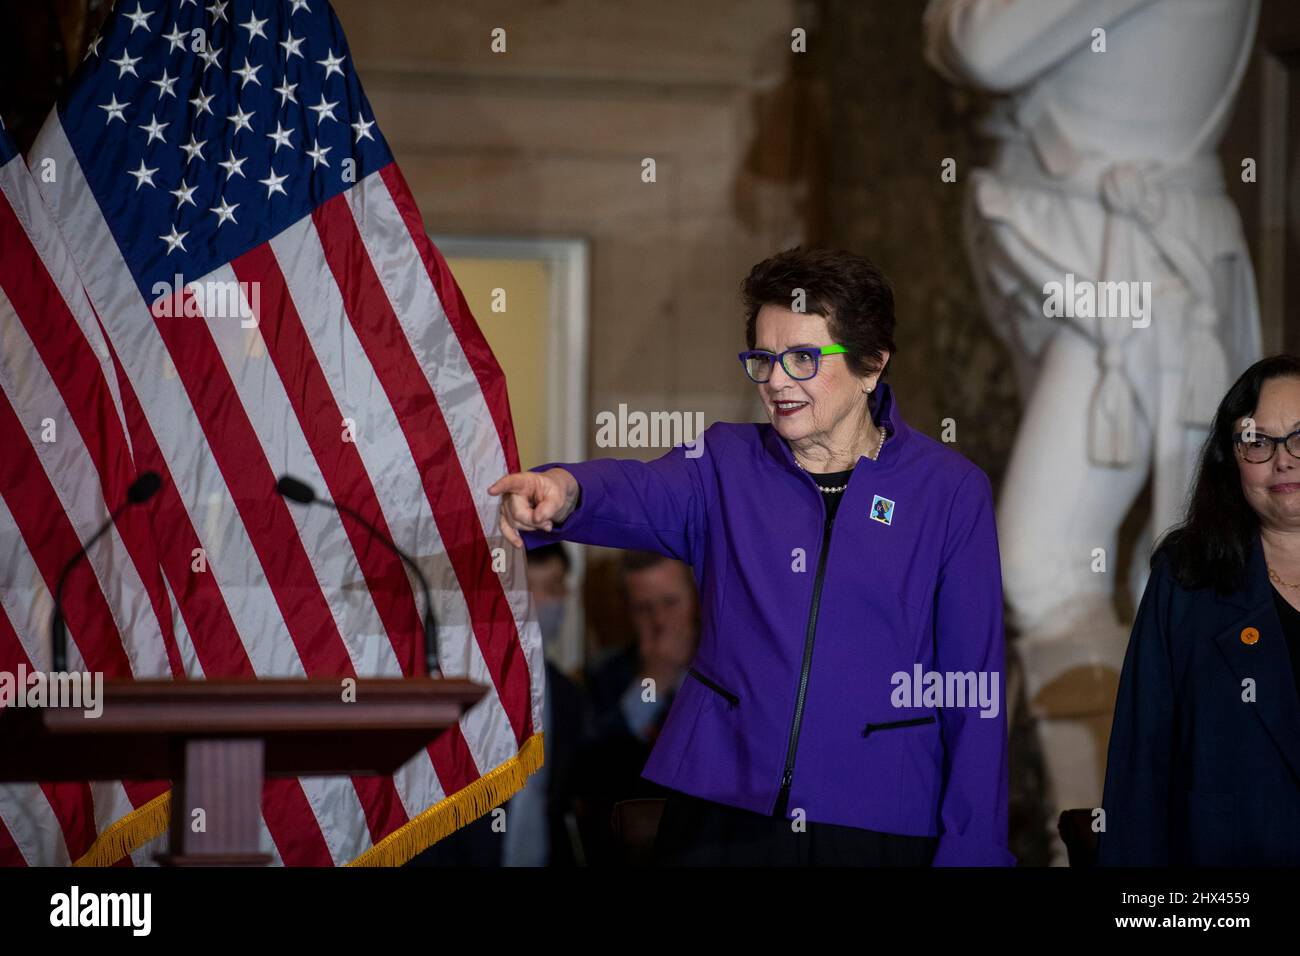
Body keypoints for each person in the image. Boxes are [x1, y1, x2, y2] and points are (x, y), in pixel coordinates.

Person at [489, 247, 1014, 866]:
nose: (777, 382)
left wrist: (974, 851)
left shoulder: (949, 491)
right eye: (763, 360)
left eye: (802, 358)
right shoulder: (725, 463)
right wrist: (565, 491)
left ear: (872, 364)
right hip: (723, 808)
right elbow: (636, 490)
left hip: (879, 817)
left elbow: (971, 686)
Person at [1099, 355, 1300, 866]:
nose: (1283, 461)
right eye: (1257, 440)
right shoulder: (1187, 577)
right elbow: (1141, 768)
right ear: (1230, 459)